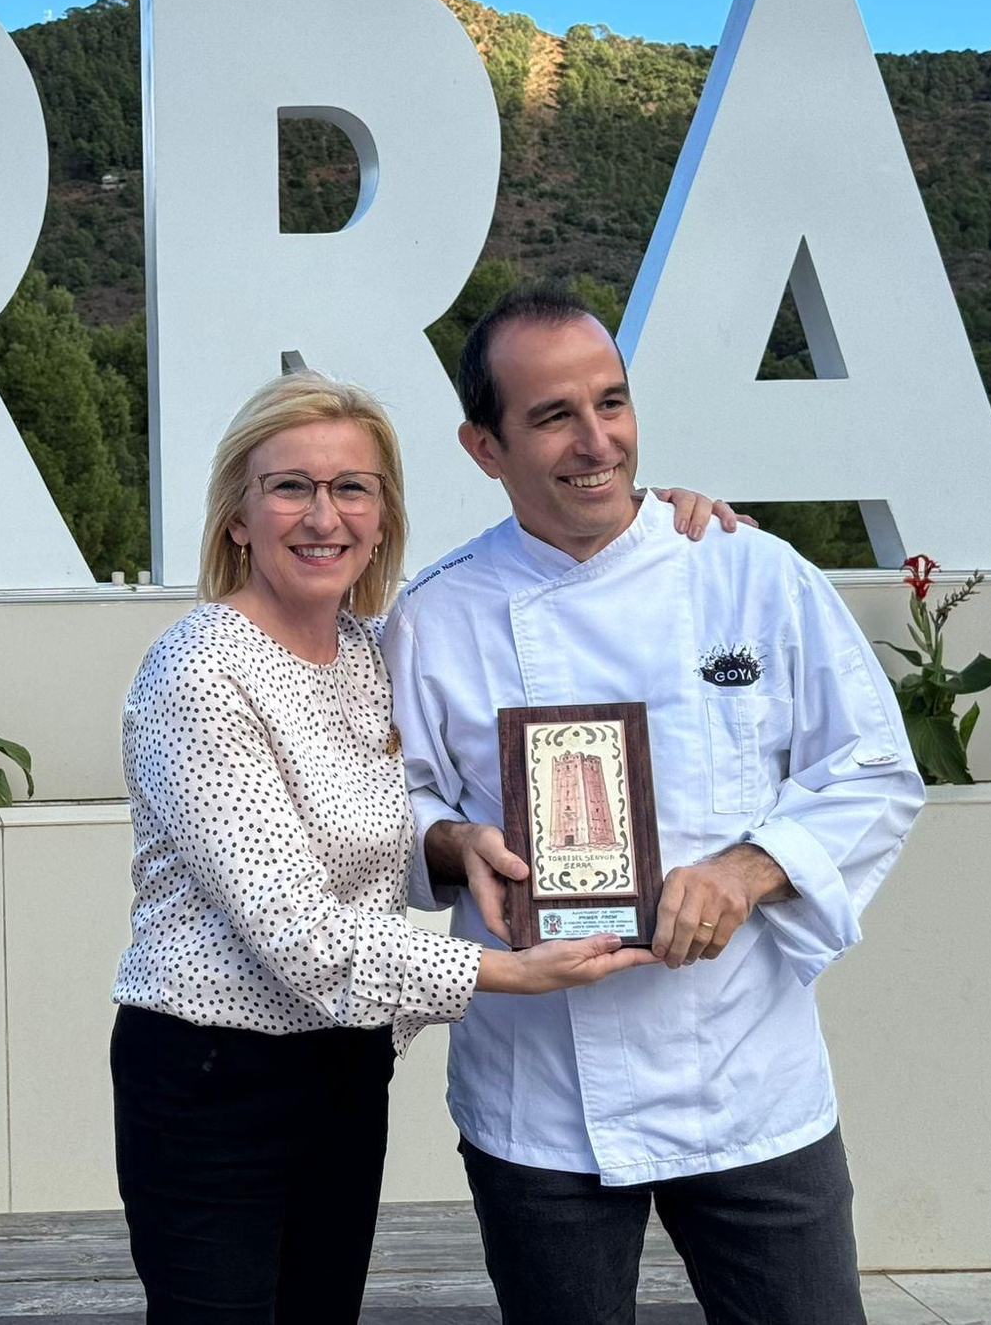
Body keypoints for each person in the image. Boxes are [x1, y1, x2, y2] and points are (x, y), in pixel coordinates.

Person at [109, 370, 735, 1323]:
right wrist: (506, 972)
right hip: (211, 1078)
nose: (324, 515)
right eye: (292, 487)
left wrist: (455, 846)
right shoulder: (199, 668)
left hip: (346, 1064)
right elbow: (297, 931)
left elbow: (375, 844)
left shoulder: (366, 653)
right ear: (238, 514)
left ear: (381, 515)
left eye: (352, 487)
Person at [383, 282, 922, 1325]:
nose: (595, 442)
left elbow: (872, 770)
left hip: (746, 1074)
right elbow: (385, 805)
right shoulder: (434, 618)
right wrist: (449, 842)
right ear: (482, 448)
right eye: (551, 417)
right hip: (538, 1096)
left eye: (610, 403)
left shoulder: (750, 574)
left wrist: (747, 868)